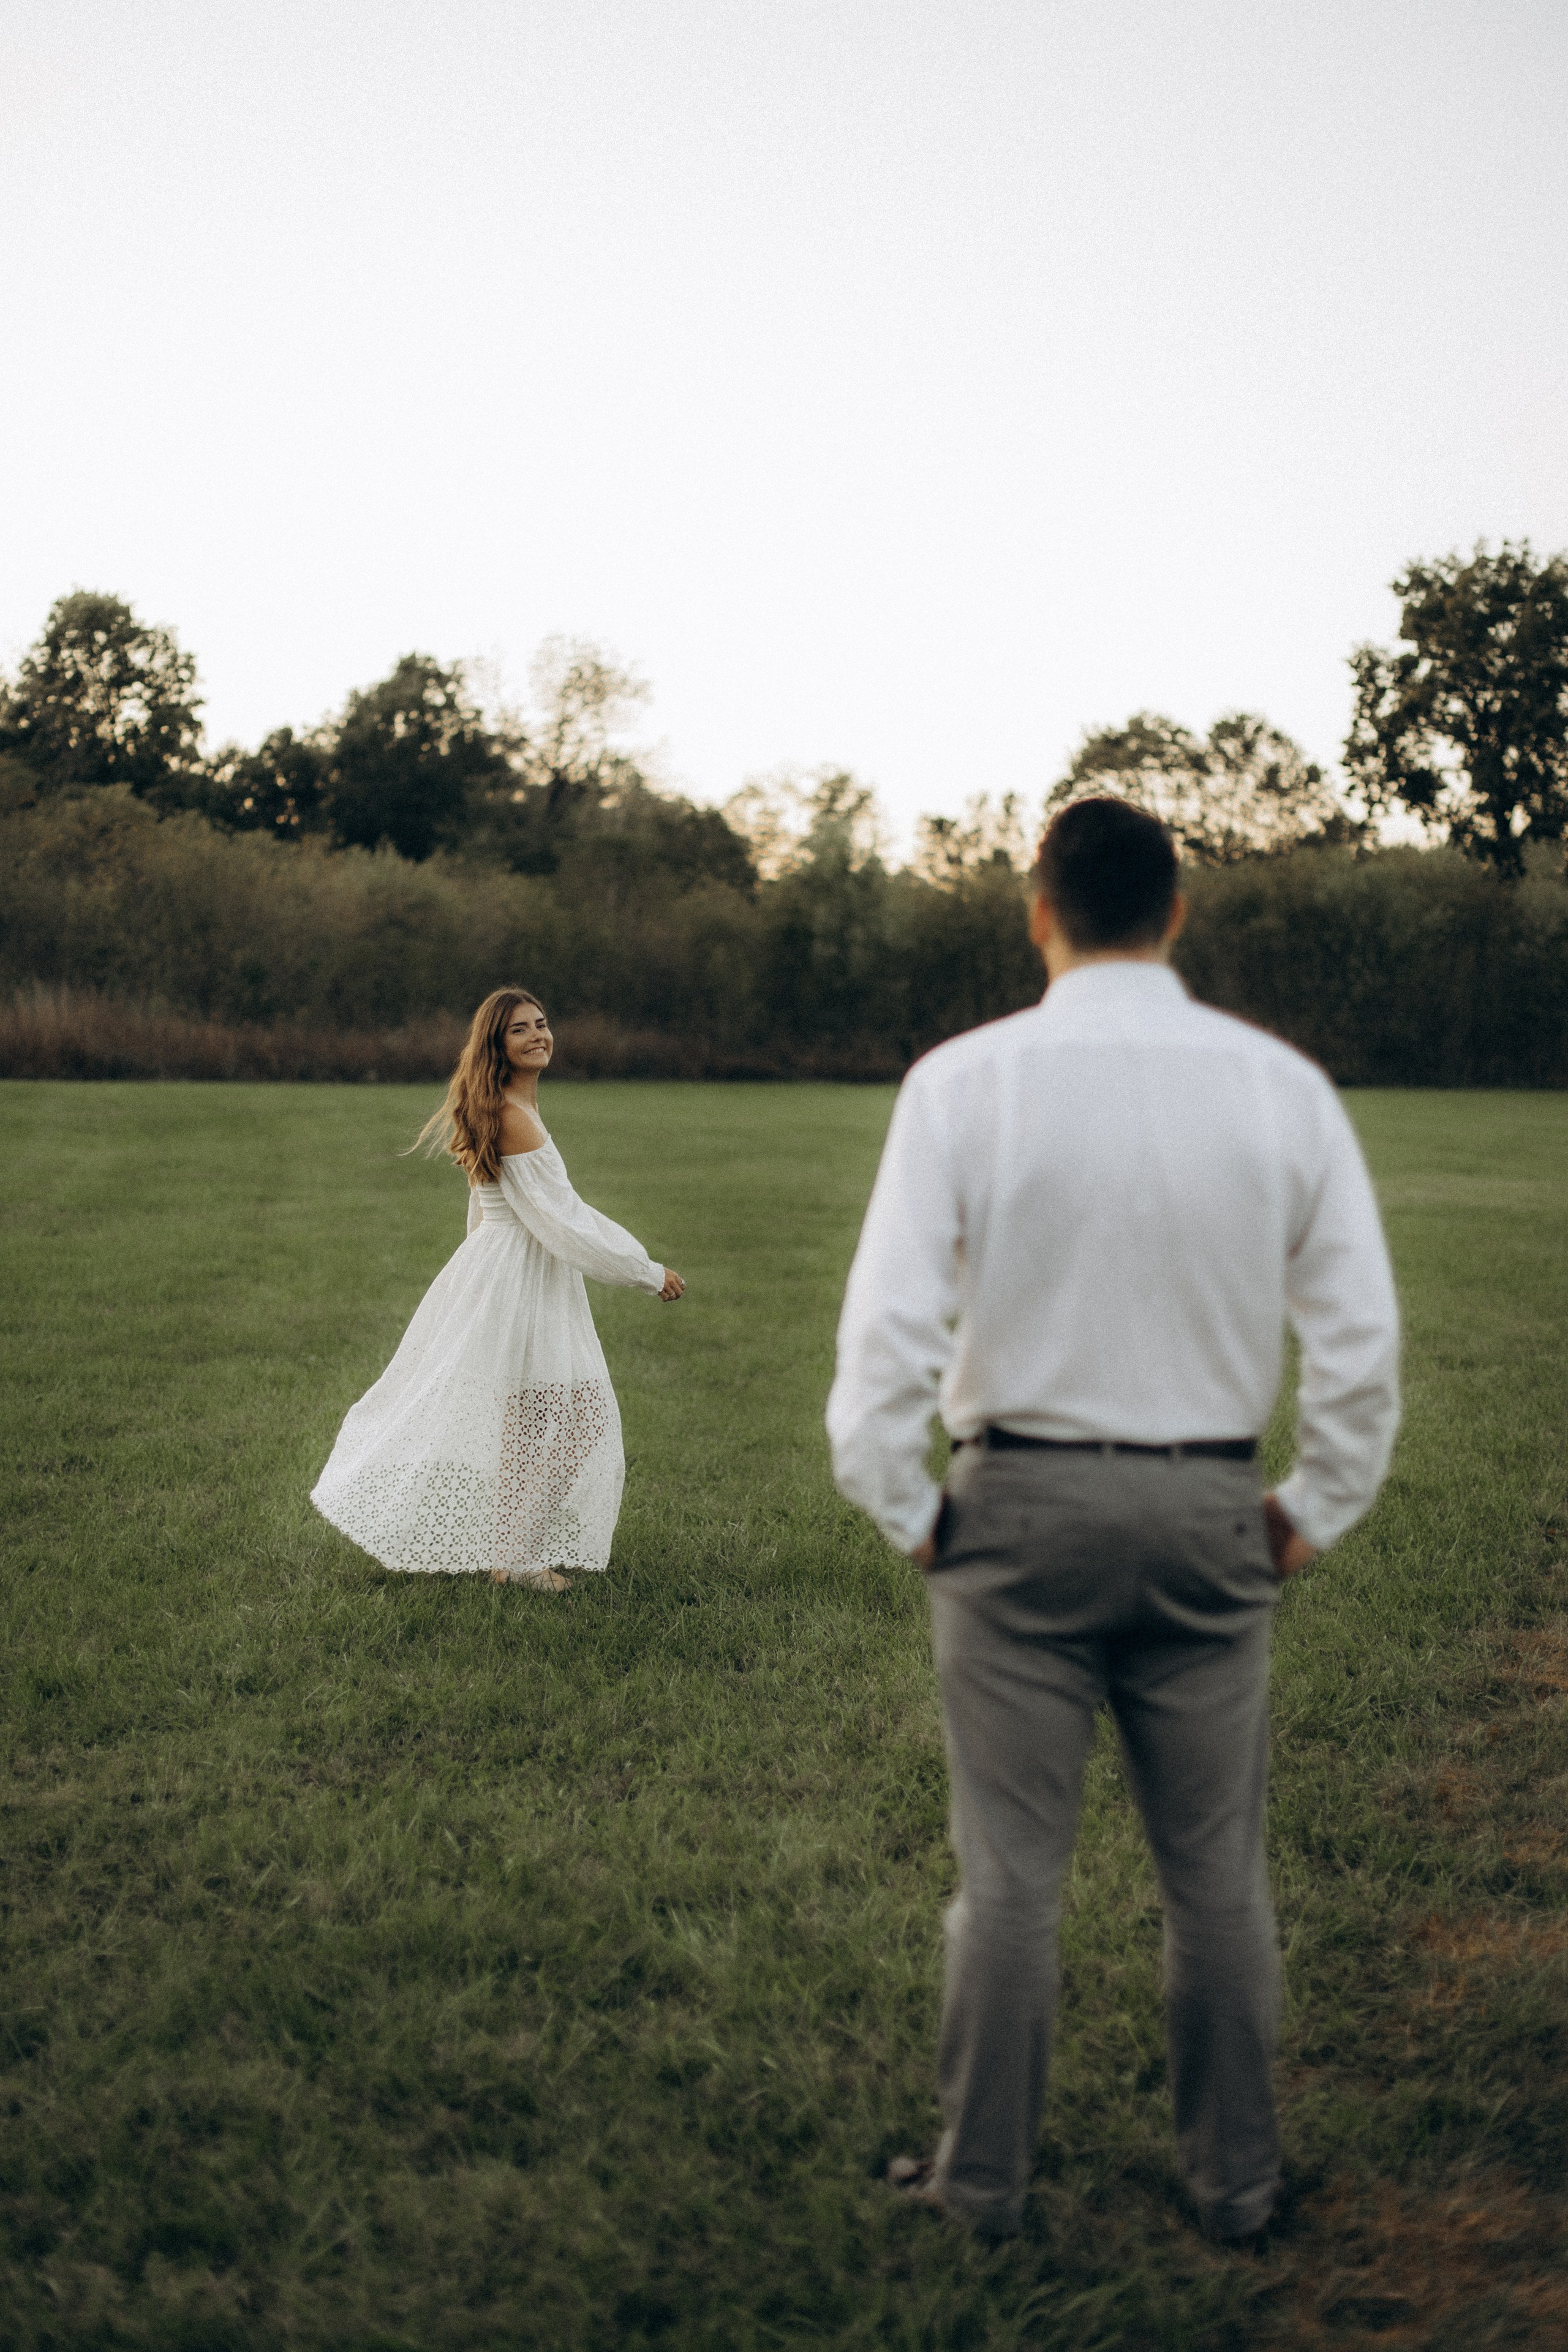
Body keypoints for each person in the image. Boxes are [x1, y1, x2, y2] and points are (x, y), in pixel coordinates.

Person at [827, 797, 1400, 2245]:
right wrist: (1310, 1502)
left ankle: (983, 2187)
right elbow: (1356, 1341)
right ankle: (1235, 2184)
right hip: (1210, 1504)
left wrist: (906, 1504)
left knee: (1008, 1875)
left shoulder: (962, 1081)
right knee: (1214, 1875)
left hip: (1011, 1505)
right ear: (1176, 909)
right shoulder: (1278, 1086)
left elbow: (885, 1333)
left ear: (1038, 907)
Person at [312, 986, 684, 1591]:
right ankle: (518, 1556)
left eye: (542, 1024)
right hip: (519, 1271)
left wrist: (475, 1273)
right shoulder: (511, 1114)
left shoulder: (507, 1107)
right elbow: (567, 1221)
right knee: (574, 1416)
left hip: (508, 1269)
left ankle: (513, 1556)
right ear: (497, 1044)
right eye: (521, 1030)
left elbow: (493, 1210)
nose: (539, 1035)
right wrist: (645, 1271)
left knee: (532, 1418)